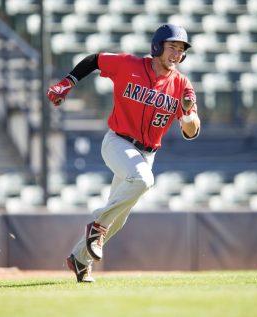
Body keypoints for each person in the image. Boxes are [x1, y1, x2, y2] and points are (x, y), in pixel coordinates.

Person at [47, 24, 200, 282]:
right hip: (117, 142)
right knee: (143, 181)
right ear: (157, 46)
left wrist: (188, 117)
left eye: (181, 49)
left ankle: (79, 259)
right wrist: (68, 82)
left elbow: (192, 130)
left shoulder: (183, 85)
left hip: (146, 154)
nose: (177, 54)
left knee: (118, 219)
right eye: (172, 46)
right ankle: (96, 226)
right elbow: (95, 60)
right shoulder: (129, 65)